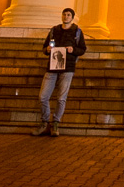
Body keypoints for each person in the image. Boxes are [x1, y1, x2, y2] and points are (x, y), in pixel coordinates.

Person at [32, 7, 86, 137]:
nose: (66, 17)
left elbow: (82, 49)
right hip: (52, 67)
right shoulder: (54, 30)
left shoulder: (77, 32)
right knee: (43, 96)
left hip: (67, 68)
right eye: (64, 14)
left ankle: (55, 123)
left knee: (61, 98)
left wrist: (73, 50)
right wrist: (47, 50)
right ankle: (45, 122)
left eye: (68, 15)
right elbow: (44, 48)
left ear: (72, 18)